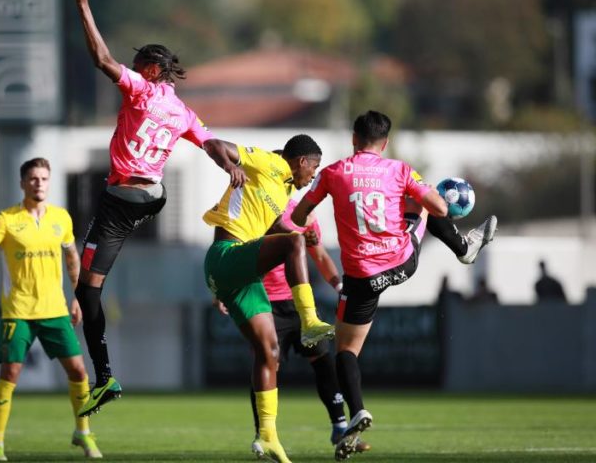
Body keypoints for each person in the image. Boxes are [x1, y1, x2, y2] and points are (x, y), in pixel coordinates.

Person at [68, 0, 246, 417]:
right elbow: (211, 144)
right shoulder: (182, 110)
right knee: (103, 255)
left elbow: (101, 58)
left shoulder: (141, 91)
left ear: (150, 70)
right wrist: (231, 166)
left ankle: (104, 376)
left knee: (88, 292)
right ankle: (104, 372)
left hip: (122, 197)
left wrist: (84, 8)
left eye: (139, 64)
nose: (132, 69)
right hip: (154, 197)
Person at [291, 111, 497, 460]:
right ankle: (464, 249)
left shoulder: (332, 173)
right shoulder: (399, 170)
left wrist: (311, 212)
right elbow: (438, 207)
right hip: (399, 263)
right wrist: (434, 194)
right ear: (384, 144)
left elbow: (298, 217)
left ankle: (357, 410)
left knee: (345, 352)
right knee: (420, 204)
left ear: (353, 139)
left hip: (360, 277)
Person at [203, 135, 334, 463]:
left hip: (238, 276)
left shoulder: (283, 189)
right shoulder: (271, 163)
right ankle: (309, 319)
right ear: (301, 162)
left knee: (270, 351)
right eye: (314, 167)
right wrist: (230, 165)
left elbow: (277, 227)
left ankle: (268, 437)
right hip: (225, 255)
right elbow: (212, 144)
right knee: (292, 244)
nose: (314, 176)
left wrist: (304, 233)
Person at [0, 158, 102, 461]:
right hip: (18, 311)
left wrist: (78, 296)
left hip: (54, 310)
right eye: (33, 178)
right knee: (10, 373)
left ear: (49, 182)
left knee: (79, 371)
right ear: (23, 183)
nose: (39, 183)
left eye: (43, 178)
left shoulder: (61, 218)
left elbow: (71, 258)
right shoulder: (7, 219)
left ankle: (83, 432)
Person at [229, 197, 372, 455]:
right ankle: (264, 434)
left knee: (324, 360)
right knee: (266, 364)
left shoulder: (303, 212)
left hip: (299, 303)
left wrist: (340, 286)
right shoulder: (254, 207)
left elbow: (319, 255)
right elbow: (232, 251)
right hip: (265, 304)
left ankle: (340, 427)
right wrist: (225, 292)